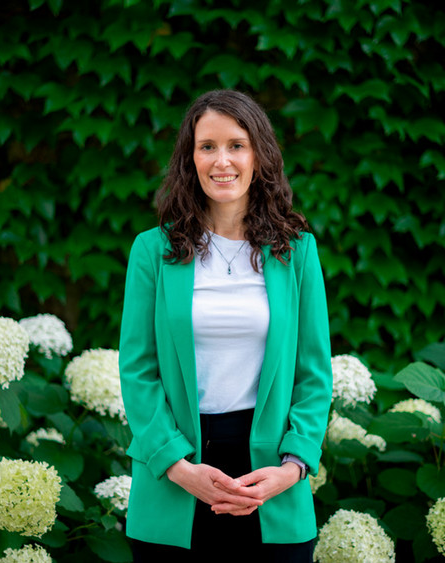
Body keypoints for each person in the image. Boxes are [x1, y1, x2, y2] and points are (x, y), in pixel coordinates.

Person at [118, 89, 332, 563]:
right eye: (207, 146)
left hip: (270, 479)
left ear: (259, 155)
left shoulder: (297, 253)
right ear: (189, 158)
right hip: (176, 475)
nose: (222, 161)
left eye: (236, 145)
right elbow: (138, 370)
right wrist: (176, 465)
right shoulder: (152, 252)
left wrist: (293, 467)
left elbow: (313, 373)